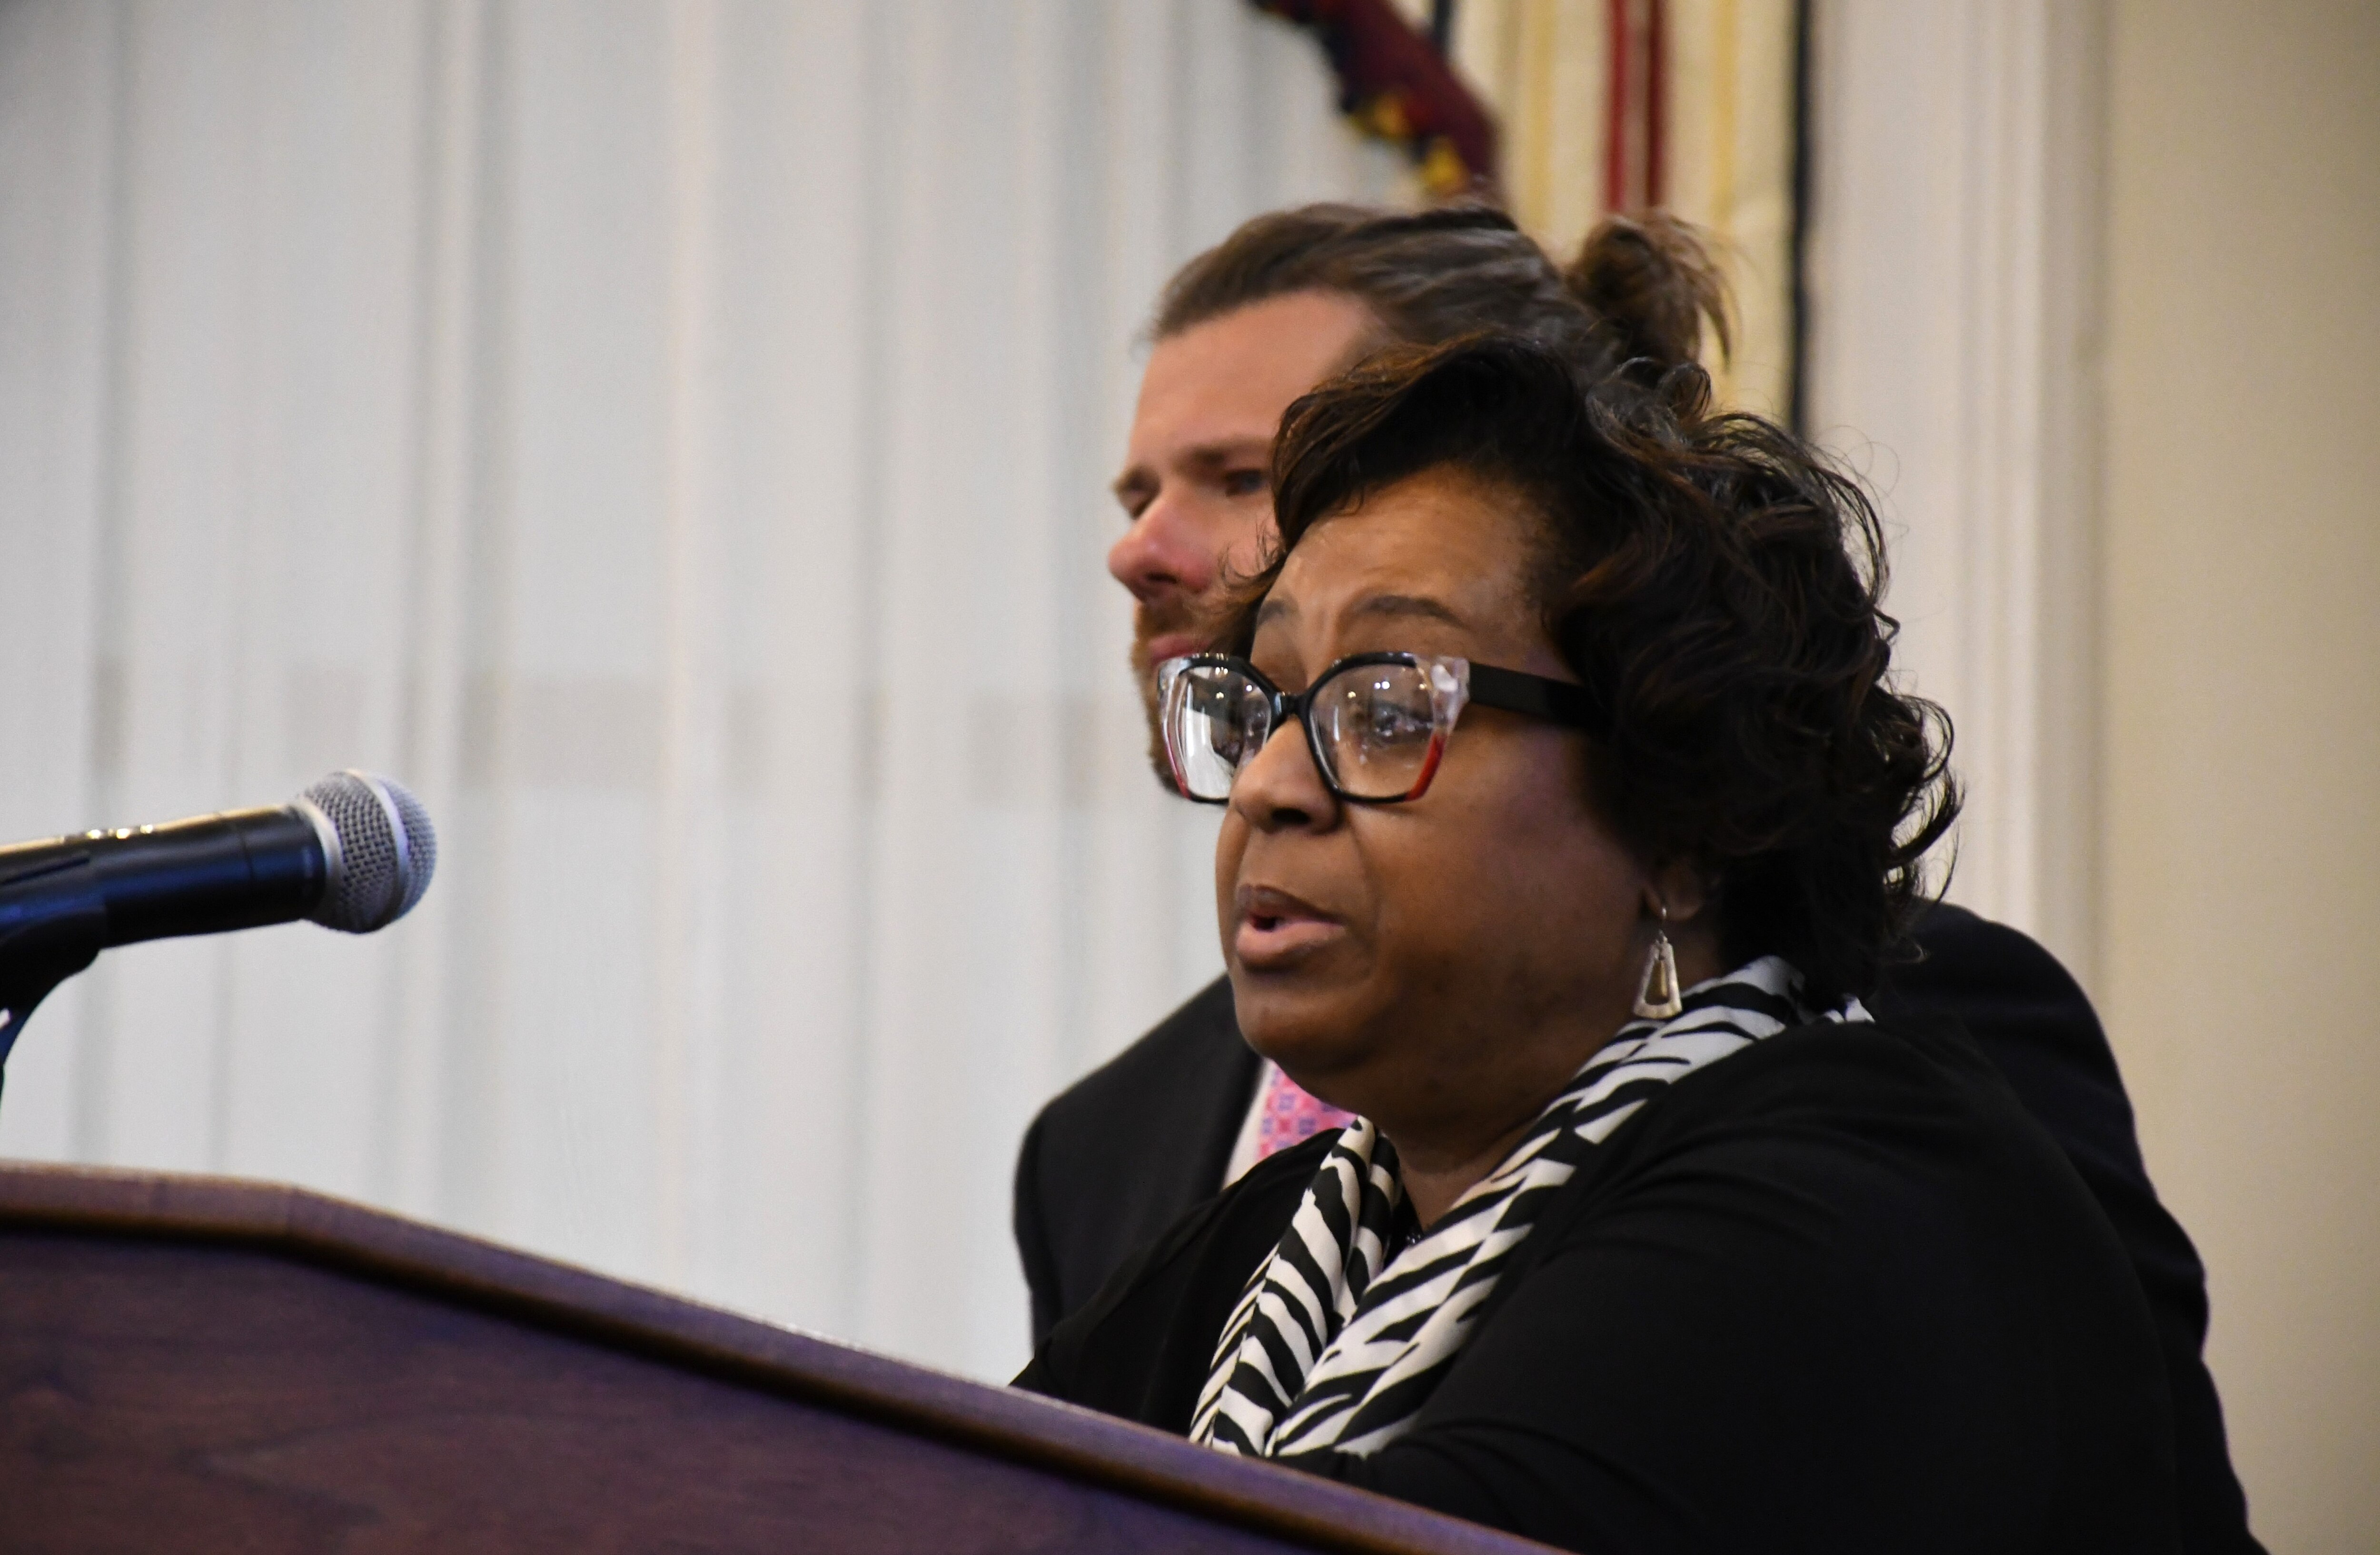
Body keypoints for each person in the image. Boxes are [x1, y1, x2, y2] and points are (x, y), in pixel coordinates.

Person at [1012, 202, 2259, 1552]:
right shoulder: (1268, 1237)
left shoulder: (1853, 1178)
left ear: (1680, 821)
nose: (1267, 785)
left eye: (1383, 703)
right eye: (1263, 703)